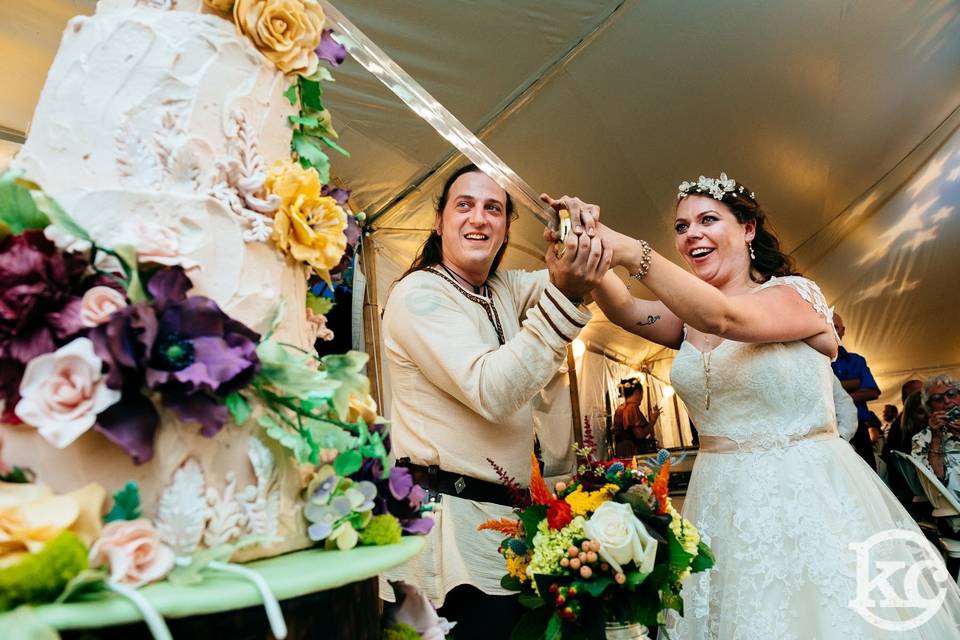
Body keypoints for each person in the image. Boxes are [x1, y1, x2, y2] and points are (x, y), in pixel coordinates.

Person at [550, 173, 960, 638]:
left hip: (808, 496)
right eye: (682, 227)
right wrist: (583, 241)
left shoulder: (795, 295)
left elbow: (726, 317)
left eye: (708, 220)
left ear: (747, 229)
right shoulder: (688, 318)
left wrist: (632, 251)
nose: (691, 235)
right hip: (721, 499)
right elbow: (625, 309)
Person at [380, 164, 609, 639]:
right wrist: (564, 293)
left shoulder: (503, 288)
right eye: (464, 205)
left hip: (508, 528)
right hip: (449, 537)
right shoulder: (419, 295)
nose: (478, 219)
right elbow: (493, 391)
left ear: (507, 227)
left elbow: (579, 278)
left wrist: (578, 233)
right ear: (439, 220)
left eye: (493, 209)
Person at [831, 312, 881, 471]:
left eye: (836, 326)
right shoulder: (816, 361)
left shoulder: (856, 360)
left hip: (860, 427)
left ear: (843, 330)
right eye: (829, 325)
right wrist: (854, 383)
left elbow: (872, 391)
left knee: (868, 472)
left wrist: (839, 397)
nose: (833, 330)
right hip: (829, 429)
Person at [911, 375, 960, 499]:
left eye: (952, 394)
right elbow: (935, 484)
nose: (947, 401)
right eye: (937, 399)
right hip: (952, 507)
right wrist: (936, 437)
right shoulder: (921, 439)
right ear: (930, 408)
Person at [612, 378, 661, 457]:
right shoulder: (632, 408)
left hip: (622, 452)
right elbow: (640, 434)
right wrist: (653, 421)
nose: (642, 397)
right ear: (637, 392)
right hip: (631, 452)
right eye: (642, 393)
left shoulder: (620, 408)